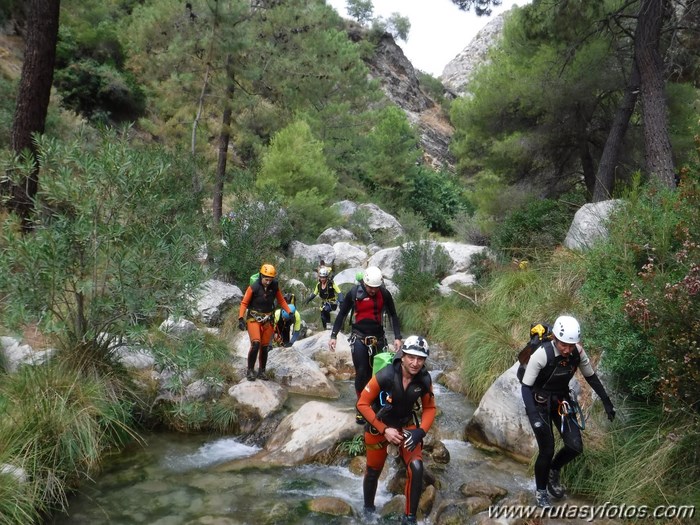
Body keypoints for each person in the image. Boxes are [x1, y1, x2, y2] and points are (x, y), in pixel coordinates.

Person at [520, 315, 616, 508]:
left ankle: (553, 471)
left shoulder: (577, 353)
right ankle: (541, 493)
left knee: (575, 446)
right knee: (547, 449)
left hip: (561, 402)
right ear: (555, 338)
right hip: (539, 403)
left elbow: (592, 377)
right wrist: (533, 416)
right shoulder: (542, 354)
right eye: (564, 345)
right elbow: (525, 387)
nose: (567, 350)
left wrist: (606, 402)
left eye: (571, 345)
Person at [356, 336, 436, 525]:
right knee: (373, 471)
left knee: (417, 467)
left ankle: (409, 519)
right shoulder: (386, 374)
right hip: (379, 426)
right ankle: (368, 509)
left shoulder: (424, 379)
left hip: (406, 426)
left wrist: (420, 432)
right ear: (404, 355)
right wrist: (384, 430)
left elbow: (430, 409)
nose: (415, 363)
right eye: (411, 357)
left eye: (420, 359)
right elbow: (362, 403)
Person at [329, 265, 402, 424]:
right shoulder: (354, 293)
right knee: (362, 373)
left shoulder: (384, 294)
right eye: (370, 287)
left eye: (376, 287)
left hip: (379, 338)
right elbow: (341, 314)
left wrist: (397, 337)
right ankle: (362, 407)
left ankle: (376, 404)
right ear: (364, 282)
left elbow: (393, 315)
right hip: (360, 338)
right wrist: (333, 335)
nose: (373, 291)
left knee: (379, 374)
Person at [238, 263, 293, 381]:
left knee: (265, 346)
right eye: (266, 279)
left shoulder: (274, 286)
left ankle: (262, 371)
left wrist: (289, 312)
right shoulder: (253, 287)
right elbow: (244, 303)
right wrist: (241, 318)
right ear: (261, 276)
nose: (268, 282)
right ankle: (250, 370)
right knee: (256, 343)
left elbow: (281, 301)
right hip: (254, 318)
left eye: (270, 280)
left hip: (268, 319)